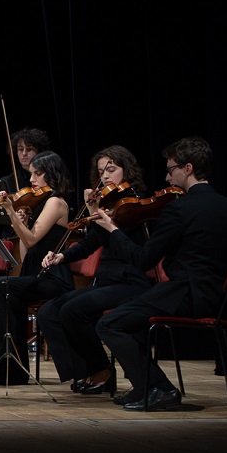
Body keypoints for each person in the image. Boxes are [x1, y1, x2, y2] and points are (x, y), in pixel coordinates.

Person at [94, 137, 227, 411]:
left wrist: (112, 229)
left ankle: (159, 388)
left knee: (109, 324)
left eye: (171, 169)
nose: (167, 175)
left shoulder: (179, 208)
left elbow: (143, 258)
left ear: (188, 168)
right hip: (220, 300)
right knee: (130, 313)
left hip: (186, 295)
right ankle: (143, 388)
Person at [37, 145, 154, 395]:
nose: (105, 177)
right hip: (107, 283)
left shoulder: (136, 204)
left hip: (129, 282)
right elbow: (93, 242)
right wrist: (62, 256)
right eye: (101, 172)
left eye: (111, 169)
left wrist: (101, 217)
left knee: (72, 310)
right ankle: (92, 371)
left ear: (127, 170)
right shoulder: (109, 205)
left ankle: (101, 371)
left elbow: (133, 247)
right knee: (49, 311)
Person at [0, 151, 75, 386]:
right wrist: (21, 222)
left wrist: (12, 212)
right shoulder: (38, 203)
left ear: (51, 174)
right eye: (31, 173)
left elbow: (32, 240)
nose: (31, 178)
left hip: (53, 277)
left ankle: (5, 368)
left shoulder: (55, 202)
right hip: (34, 274)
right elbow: (26, 252)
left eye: (37, 173)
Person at [0, 127, 52, 191]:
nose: (24, 153)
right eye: (21, 149)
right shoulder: (8, 181)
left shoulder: (50, 175)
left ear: (39, 151)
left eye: (29, 149)